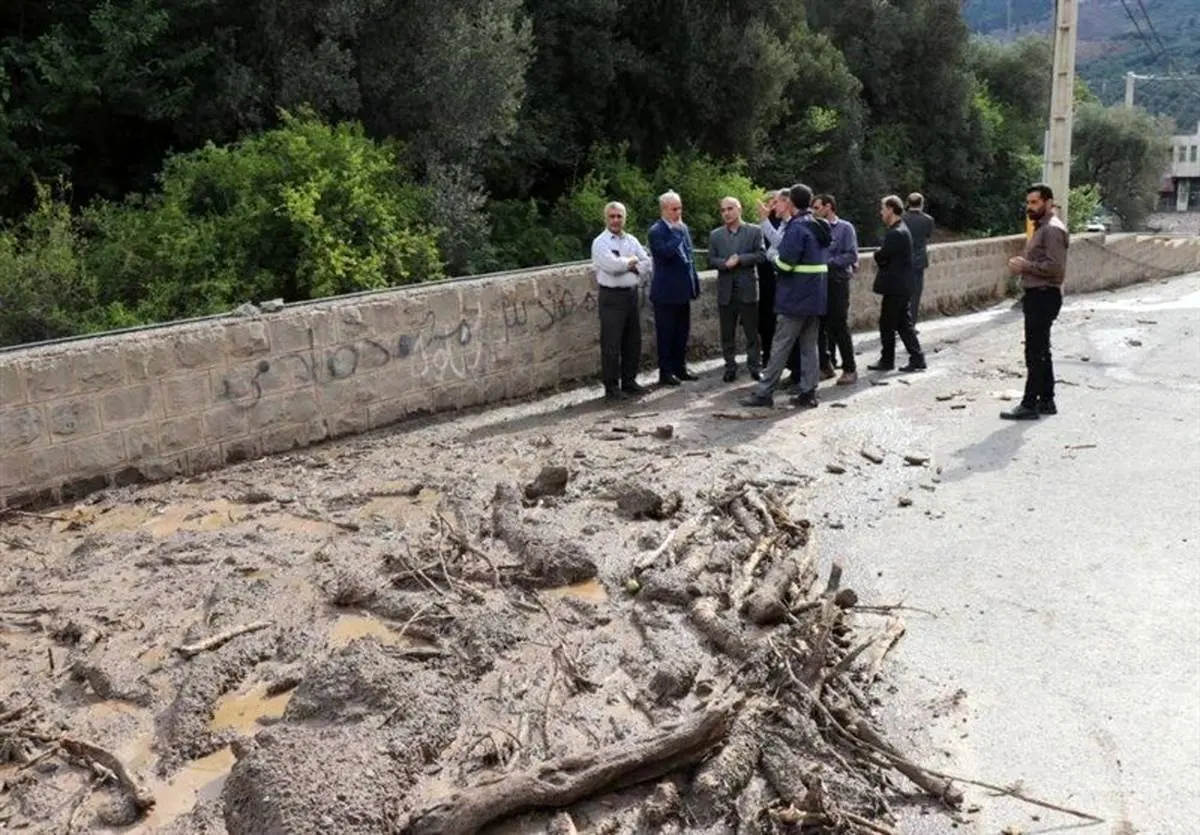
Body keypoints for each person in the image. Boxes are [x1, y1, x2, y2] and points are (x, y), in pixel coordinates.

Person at [740, 183, 831, 409]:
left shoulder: (796, 228)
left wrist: (772, 256)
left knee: (780, 346)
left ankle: (764, 393)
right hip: (815, 298)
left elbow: (785, 265)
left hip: (794, 299)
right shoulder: (818, 225)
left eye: (780, 201)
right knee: (809, 347)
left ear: (789, 203)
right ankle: (808, 392)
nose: (776, 205)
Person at [1001, 183, 1069, 420]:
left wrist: (1025, 266)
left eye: (1035, 202)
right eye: (1029, 202)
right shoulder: (1042, 228)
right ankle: (1046, 400)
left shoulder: (1051, 230)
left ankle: (1029, 404)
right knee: (1042, 350)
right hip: (1038, 294)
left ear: (1048, 203)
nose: (1030, 207)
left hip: (1043, 295)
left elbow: (1055, 267)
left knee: (1035, 352)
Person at [591, 201, 652, 401]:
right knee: (611, 343)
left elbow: (647, 264)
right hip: (611, 296)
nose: (616, 220)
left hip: (631, 294)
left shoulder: (631, 240)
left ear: (624, 218)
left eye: (619, 216)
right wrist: (631, 262)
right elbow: (611, 266)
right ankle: (611, 387)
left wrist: (628, 264)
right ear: (606, 218)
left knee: (632, 341)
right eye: (612, 216)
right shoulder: (600, 242)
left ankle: (629, 381)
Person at [709, 197, 766, 382]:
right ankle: (730, 367)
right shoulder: (716, 235)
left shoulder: (754, 231)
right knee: (727, 332)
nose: (726, 213)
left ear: (739, 209)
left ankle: (754, 366)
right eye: (723, 210)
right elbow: (711, 259)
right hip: (726, 290)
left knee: (752, 332)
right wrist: (725, 264)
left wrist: (740, 259)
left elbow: (761, 255)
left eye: (730, 209)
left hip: (747, 287)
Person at [868, 195, 926, 373]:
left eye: (883, 208)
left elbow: (882, 256)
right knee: (903, 324)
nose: (881, 212)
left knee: (887, 324)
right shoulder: (900, 230)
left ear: (891, 209)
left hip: (896, 286)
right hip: (902, 286)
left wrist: (879, 255)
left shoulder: (896, 233)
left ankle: (888, 360)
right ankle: (917, 358)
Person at [648, 191, 701, 386]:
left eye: (680, 208)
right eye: (674, 209)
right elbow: (665, 254)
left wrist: (694, 284)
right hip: (665, 292)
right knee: (666, 334)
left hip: (683, 291)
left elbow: (690, 258)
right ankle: (666, 371)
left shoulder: (683, 228)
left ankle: (680, 367)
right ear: (664, 210)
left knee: (682, 332)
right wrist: (677, 233)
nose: (678, 212)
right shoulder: (656, 231)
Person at [812, 194, 860, 385]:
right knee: (818, 326)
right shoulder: (814, 229)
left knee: (839, 325)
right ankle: (825, 365)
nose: (814, 211)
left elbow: (851, 255)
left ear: (828, 207)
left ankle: (850, 368)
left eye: (817, 207)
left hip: (837, 282)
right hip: (819, 283)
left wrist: (827, 263)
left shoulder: (844, 228)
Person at [756, 189, 789, 369]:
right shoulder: (760, 226)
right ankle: (768, 354)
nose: (771, 206)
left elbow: (779, 245)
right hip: (765, 278)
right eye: (769, 202)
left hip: (782, 276)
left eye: (775, 202)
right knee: (766, 320)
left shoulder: (785, 224)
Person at [904, 192, 935, 326]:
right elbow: (928, 235)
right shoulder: (928, 220)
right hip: (919, 261)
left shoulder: (902, 219)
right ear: (921, 204)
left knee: (902, 293)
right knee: (915, 294)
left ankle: (899, 322)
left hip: (903, 260)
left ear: (908, 203)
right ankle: (911, 323)